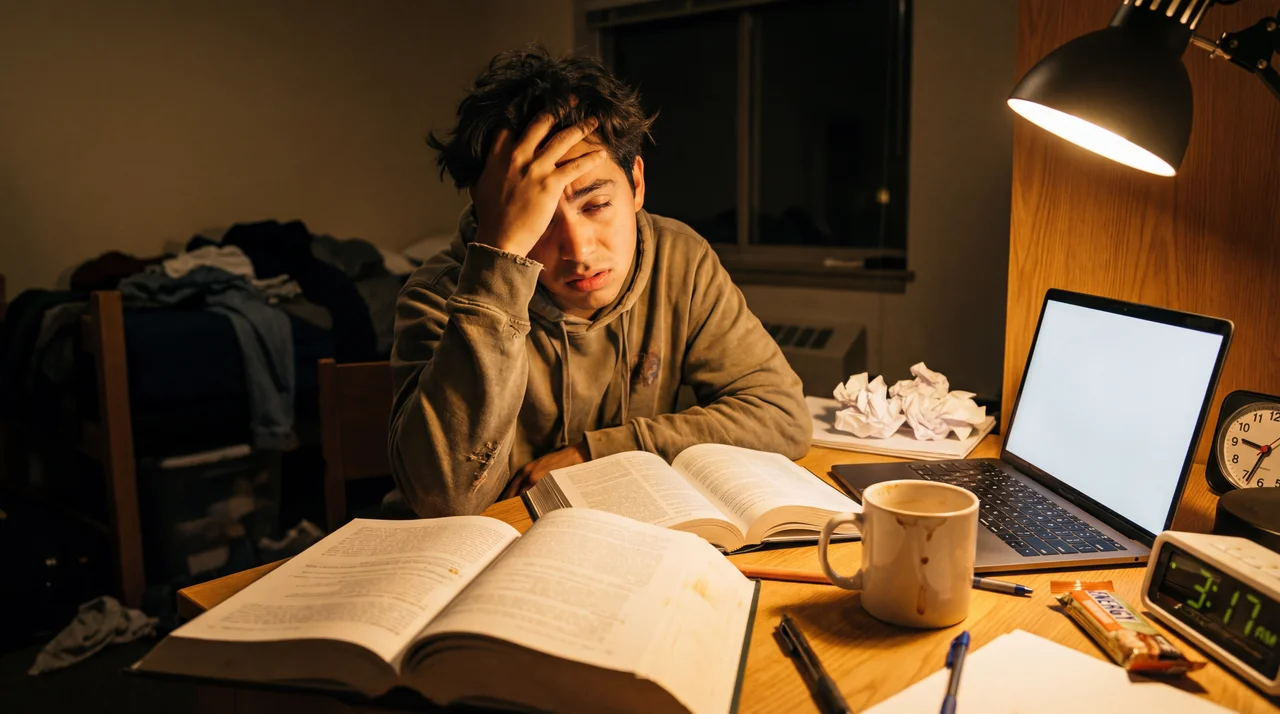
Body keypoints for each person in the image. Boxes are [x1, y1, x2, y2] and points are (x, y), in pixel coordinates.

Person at [388, 46, 809, 518]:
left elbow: (781, 416)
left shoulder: (680, 260)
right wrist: (499, 264)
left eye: (595, 205)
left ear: (637, 184)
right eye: (541, 219)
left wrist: (595, 454)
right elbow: (445, 500)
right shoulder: (440, 295)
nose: (580, 250)